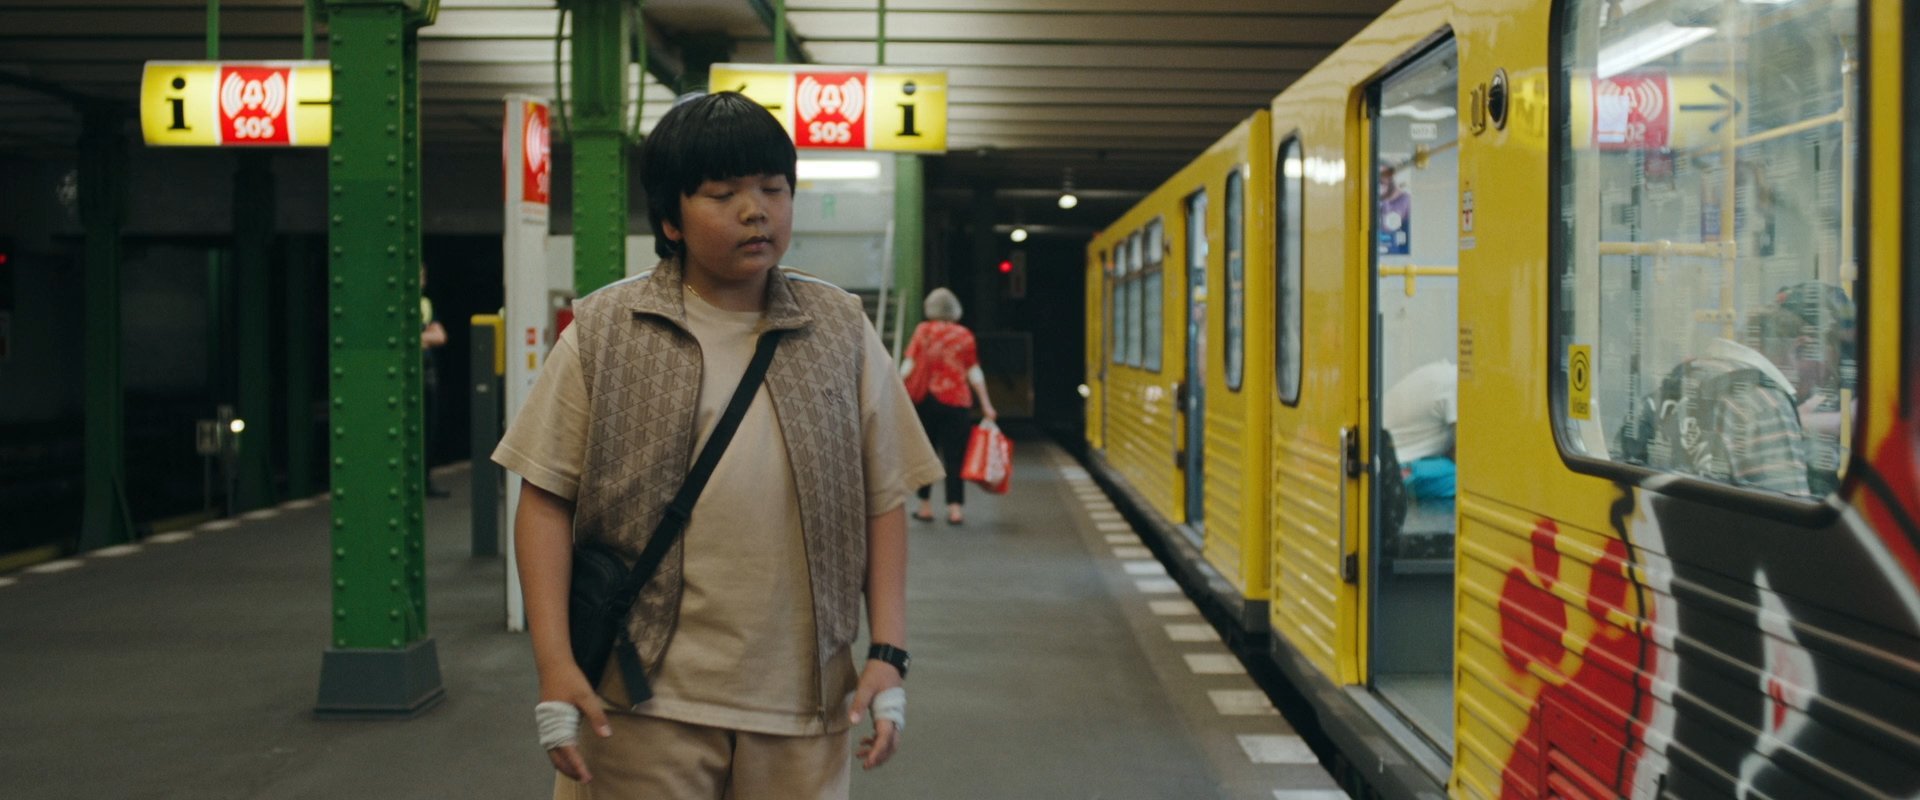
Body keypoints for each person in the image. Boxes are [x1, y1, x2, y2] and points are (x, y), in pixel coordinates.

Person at [491, 91, 943, 799]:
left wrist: (888, 653)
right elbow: (545, 499)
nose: (756, 211)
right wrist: (555, 665)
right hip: (639, 702)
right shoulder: (606, 331)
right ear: (670, 219)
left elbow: (881, 495)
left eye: (773, 188)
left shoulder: (841, 330)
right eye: (723, 194)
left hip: (804, 704)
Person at [899, 288, 998, 525]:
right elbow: (974, 372)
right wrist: (986, 404)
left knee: (926, 455)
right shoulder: (964, 335)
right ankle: (955, 509)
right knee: (955, 456)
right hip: (957, 402)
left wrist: (896, 394)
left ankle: (925, 506)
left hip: (926, 401)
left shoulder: (923, 331)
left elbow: (908, 366)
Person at [1381, 359, 1457, 503]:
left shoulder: (1446, 374)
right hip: (1394, 468)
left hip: (1384, 459)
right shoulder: (1456, 387)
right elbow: (1465, 457)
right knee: (1474, 482)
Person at [420, 265, 450, 498]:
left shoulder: (425, 304)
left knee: (429, 427)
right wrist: (425, 336)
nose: (423, 280)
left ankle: (425, 479)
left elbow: (440, 336)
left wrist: (420, 337)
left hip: (427, 372)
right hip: (420, 372)